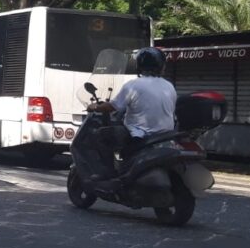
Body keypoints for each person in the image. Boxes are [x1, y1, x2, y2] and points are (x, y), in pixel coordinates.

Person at [74, 47, 176, 192]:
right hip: (164, 134)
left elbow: (112, 106)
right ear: (161, 66)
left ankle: (106, 173)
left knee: (100, 136)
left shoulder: (133, 85)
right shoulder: (169, 86)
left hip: (139, 134)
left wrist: (95, 107)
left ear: (140, 65)